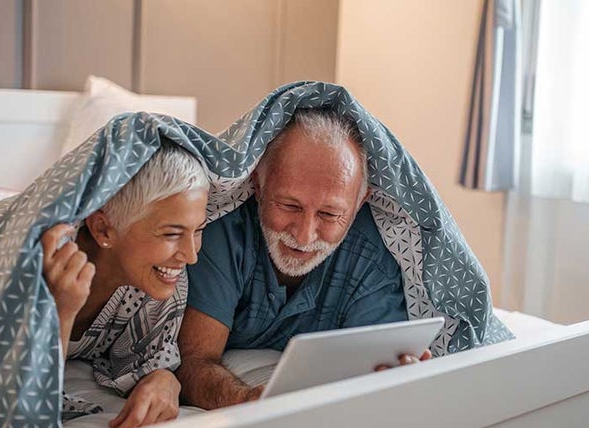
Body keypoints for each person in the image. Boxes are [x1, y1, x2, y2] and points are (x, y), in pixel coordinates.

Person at [177, 109, 428, 410]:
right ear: (257, 185)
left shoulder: (374, 257)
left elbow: (376, 373)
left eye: (329, 214)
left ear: (360, 203)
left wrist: (397, 379)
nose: (305, 235)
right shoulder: (221, 231)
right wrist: (246, 399)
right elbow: (192, 361)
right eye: (289, 205)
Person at [41, 141, 208, 428]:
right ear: (103, 229)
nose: (191, 256)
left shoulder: (161, 279)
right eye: (171, 233)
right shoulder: (42, 264)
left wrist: (165, 380)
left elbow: (149, 362)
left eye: (198, 230)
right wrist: (61, 312)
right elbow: (21, 402)